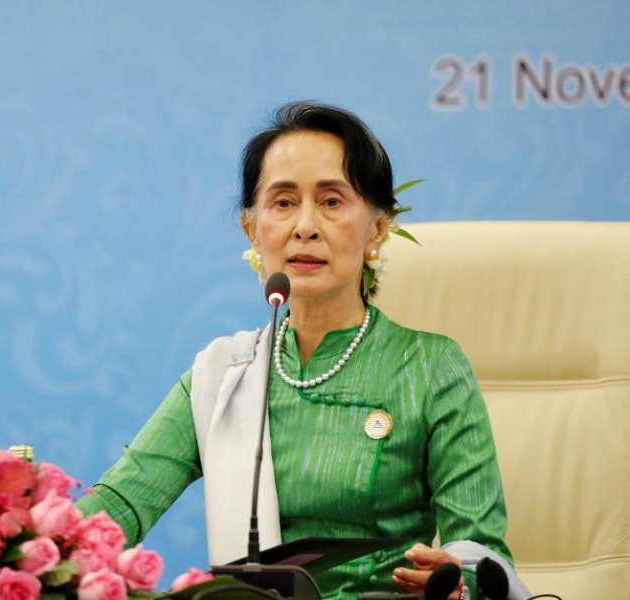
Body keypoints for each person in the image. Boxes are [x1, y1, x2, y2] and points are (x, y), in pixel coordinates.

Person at [76, 102, 522, 600]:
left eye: (332, 201)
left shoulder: (431, 367)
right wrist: (22, 543)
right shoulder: (227, 374)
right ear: (252, 227)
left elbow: (481, 551)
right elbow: (121, 505)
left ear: (378, 228)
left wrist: (456, 578)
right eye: (283, 202)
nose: (305, 225)